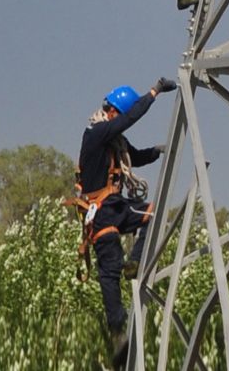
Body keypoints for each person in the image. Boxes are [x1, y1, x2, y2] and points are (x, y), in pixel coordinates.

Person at [76, 77, 173, 361]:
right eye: (121, 115)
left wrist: (157, 151)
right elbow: (129, 118)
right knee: (110, 268)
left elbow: (135, 157)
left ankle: (136, 262)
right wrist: (153, 93)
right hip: (101, 212)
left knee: (155, 215)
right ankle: (118, 333)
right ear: (114, 112)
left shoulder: (113, 140)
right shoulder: (96, 133)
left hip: (116, 206)